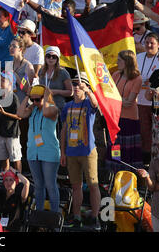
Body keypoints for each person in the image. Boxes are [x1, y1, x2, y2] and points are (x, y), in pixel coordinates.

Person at [60, 72, 101, 230]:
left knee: (93, 185)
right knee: (76, 186)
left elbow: (96, 104)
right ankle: (76, 217)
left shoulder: (88, 104)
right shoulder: (67, 106)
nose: (77, 87)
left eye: (80, 84)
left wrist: (89, 91)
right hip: (71, 152)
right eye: (75, 84)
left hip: (87, 151)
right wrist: (63, 152)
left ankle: (95, 217)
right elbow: (64, 130)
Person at [17, 85, 61, 213]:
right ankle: (39, 214)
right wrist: (27, 96)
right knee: (39, 186)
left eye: (37, 99)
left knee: (50, 185)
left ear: (45, 97)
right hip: (33, 152)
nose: (35, 102)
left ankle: (54, 216)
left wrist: (47, 96)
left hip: (49, 153)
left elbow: (46, 113)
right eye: (33, 99)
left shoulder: (53, 109)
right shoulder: (33, 109)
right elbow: (20, 114)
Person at [107, 50, 144, 172]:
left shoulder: (137, 78)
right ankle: (114, 172)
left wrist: (115, 98)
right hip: (115, 117)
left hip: (129, 118)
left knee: (127, 149)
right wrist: (118, 99)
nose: (117, 62)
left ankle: (128, 174)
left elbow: (129, 102)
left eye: (119, 60)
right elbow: (109, 94)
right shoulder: (116, 74)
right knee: (115, 147)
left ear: (127, 62)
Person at [136, 33, 159, 163]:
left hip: (156, 102)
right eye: (147, 42)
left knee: (156, 131)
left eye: (152, 43)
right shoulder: (138, 57)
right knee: (144, 130)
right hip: (140, 100)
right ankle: (146, 158)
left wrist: (150, 82)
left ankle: (157, 158)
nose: (149, 45)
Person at [0, 167, 30, 232]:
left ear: (16, 182)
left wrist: (15, 172)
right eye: (6, 180)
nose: (8, 183)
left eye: (11, 180)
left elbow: (27, 183)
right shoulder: (0, 193)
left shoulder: (19, 196)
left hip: (13, 229)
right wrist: (1, 174)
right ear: (3, 183)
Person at [0, 71, 22, 172]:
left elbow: (19, 116)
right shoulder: (0, 97)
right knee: (4, 159)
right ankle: (6, 178)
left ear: (10, 82)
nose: (0, 82)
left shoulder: (14, 98)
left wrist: (4, 113)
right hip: (1, 132)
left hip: (11, 133)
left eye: (3, 80)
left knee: (16, 159)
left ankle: (19, 181)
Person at [38, 46, 73, 114]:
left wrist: (56, 91)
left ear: (57, 59)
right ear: (45, 58)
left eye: (54, 57)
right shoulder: (41, 71)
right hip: (43, 107)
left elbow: (71, 92)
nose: (51, 58)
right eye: (48, 56)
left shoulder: (63, 72)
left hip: (58, 107)